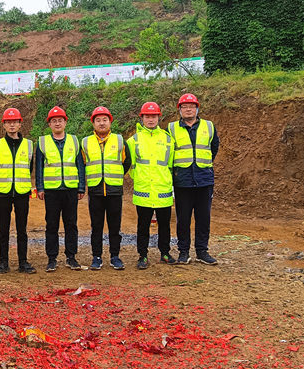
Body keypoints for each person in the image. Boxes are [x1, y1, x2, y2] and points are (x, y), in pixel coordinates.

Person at [167, 93, 220, 265]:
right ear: (180, 110)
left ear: (197, 108)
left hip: (204, 179)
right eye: (184, 106)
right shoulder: (172, 128)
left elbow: (214, 147)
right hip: (182, 180)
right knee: (183, 218)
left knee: (203, 217)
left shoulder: (209, 126)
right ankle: (183, 252)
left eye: (191, 106)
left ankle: (202, 251)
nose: (188, 109)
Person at [126, 102, 176, 270]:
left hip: (163, 190)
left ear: (158, 117)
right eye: (147, 116)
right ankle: (143, 255)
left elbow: (170, 165)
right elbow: (130, 165)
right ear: (142, 118)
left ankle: (165, 253)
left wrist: (164, 180)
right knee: (143, 225)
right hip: (144, 190)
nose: (151, 119)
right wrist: (139, 178)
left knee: (165, 225)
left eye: (154, 116)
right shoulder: (134, 140)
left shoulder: (168, 139)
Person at [81, 106, 131, 271]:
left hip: (114, 190)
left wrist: (114, 176)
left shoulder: (119, 140)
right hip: (95, 190)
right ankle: (96, 257)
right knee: (96, 226)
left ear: (110, 122)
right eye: (98, 120)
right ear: (93, 123)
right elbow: (82, 164)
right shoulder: (86, 142)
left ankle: (115, 257)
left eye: (104, 120)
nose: (101, 123)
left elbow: (127, 162)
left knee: (114, 226)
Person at [36, 106, 85, 272]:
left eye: (60, 120)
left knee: (71, 224)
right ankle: (52, 258)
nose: (57, 123)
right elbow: (39, 167)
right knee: (51, 225)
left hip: (70, 189)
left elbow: (80, 165)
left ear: (65, 122)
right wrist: (40, 187)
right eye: (54, 121)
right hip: (51, 190)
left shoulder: (74, 140)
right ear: (49, 124)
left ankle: (71, 257)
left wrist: (81, 187)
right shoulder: (43, 142)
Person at [0, 108, 35, 274]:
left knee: (22, 229)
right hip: (4, 192)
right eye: (8, 122)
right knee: (3, 229)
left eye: (15, 122)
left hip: (22, 192)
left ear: (20, 124)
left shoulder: (28, 145)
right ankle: (3, 262)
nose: (12, 125)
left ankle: (23, 262)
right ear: (4, 125)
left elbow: (30, 167)